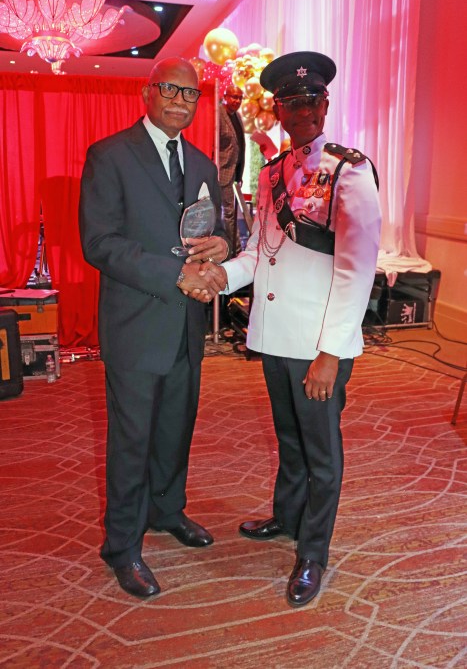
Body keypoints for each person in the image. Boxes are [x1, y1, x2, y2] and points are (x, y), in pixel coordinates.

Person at [202, 51, 381, 607]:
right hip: (275, 335)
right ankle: (285, 516)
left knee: (321, 450)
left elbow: (357, 266)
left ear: (324, 104)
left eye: (309, 101)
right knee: (290, 438)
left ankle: (313, 550)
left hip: (316, 342)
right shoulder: (275, 172)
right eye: (289, 102)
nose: (300, 110)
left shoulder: (348, 169)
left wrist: (330, 352)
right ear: (277, 109)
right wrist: (219, 275)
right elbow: (260, 254)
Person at [79, 57, 228, 599]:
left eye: (189, 94)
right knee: (132, 439)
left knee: (175, 429)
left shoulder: (204, 165)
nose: (180, 100)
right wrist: (176, 273)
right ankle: (122, 544)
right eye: (170, 89)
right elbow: (100, 243)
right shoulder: (110, 155)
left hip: (186, 326)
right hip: (136, 324)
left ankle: (168, 511)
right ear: (147, 93)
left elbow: (217, 230)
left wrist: (221, 248)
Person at [218, 84, 246, 257]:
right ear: (225, 96)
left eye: (240, 98)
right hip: (221, 172)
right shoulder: (218, 115)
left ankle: (233, 249)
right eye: (234, 97)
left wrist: (239, 173)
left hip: (233, 172)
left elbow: (240, 145)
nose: (236, 101)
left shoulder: (238, 116)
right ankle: (235, 250)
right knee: (228, 213)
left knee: (230, 213)